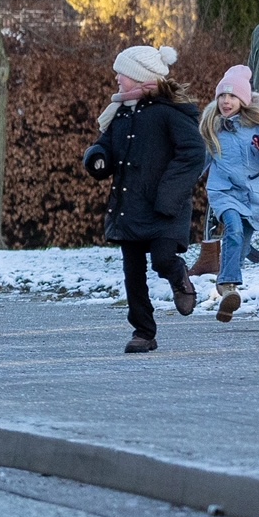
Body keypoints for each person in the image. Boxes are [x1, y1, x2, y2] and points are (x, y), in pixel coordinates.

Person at [84, 44, 206, 354]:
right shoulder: (121, 112)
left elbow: (192, 154)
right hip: (130, 206)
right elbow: (106, 145)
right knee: (132, 274)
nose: (116, 78)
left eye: (121, 73)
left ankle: (180, 278)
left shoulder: (171, 112)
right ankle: (143, 332)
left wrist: (168, 194)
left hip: (166, 207)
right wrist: (98, 158)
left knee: (163, 260)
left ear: (139, 77)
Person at [202, 64, 259, 321]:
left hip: (252, 195)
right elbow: (196, 162)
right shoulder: (213, 127)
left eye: (232, 96)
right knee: (232, 229)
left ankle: (225, 288)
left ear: (243, 100)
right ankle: (230, 286)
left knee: (241, 246)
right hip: (223, 192)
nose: (226, 101)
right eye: (222, 96)